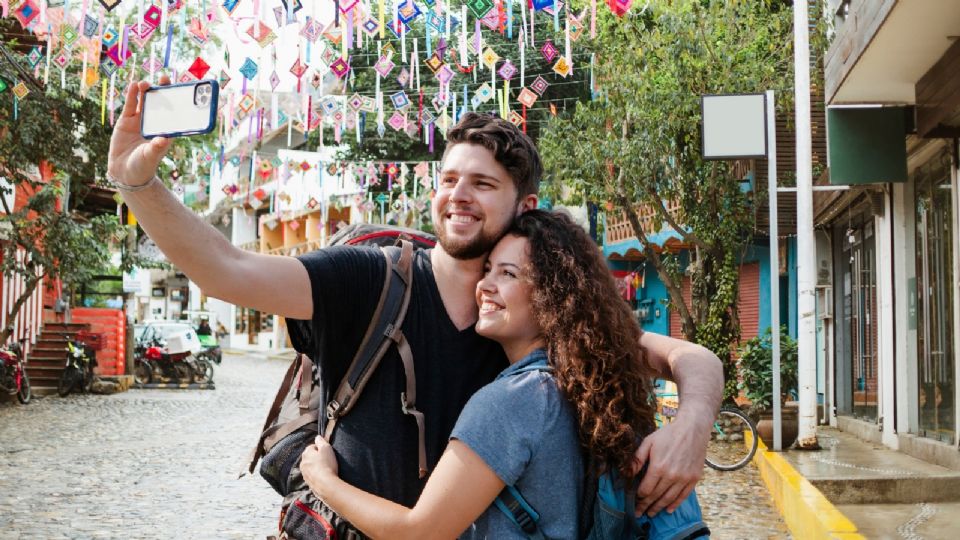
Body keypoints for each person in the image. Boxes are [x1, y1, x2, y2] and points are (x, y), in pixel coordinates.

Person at [106, 77, 722, 522]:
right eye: (450, 179)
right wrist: (138, 184)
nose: (460, 196)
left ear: (523, 208)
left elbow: (693, 360)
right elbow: (227, 269)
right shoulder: (365, 280)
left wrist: (691, 429)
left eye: (483, 184)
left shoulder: (532, 316)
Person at [300, 210, 663, 539]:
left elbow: (418, 533)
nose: (484, 285)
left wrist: (324, 480)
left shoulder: (512, 400)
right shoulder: (590, 387)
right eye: (487, 270)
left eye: (508, 273)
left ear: (554, 297)